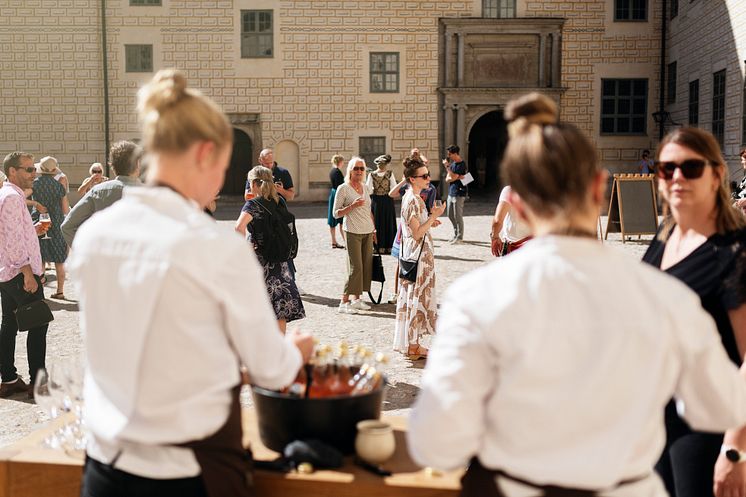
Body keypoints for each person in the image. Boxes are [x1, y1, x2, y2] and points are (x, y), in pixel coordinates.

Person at [408, 92, 746, 497]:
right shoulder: (666, 296)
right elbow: (715, 405)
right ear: (599, 186)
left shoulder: (474, 296)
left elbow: (436, 444)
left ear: (514, 201)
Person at [69, 69, 314, 497]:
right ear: (204, 154)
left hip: (106, 468)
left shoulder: (95, 234)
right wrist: (292, 354)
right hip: (187, 472)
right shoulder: (214, 248)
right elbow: (270, 370)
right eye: (221, 168)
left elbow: (152, 349)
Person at [641, 128, 746, 497]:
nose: (678, 178)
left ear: (717, 174)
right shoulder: (665, 237)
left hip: (707, 425)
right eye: (667, 169)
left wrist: (735, 449)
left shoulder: (735, 252)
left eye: (691, 168)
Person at [0, 152, 49, 398]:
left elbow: (14, 233)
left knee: (9, 323)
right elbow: (12, 240)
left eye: (34, 169)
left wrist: (34, 230)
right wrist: (28, 272)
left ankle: (8, 379)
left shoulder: (10, 196)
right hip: (19, 272)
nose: (34, 174)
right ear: (12, 171)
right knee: (38, 324)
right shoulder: (10, 197)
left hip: (9, 272)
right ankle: (38, 382)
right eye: (28, 169)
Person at [235, 166, 305, 333]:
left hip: (259, 260)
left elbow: (239, 227)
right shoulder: (278, 200)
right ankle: (279, 347)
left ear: (253, 183)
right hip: (280, 260)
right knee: (279, 308)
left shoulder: (252, 205)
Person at [392, 156, 445, 359]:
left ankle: (413, 344)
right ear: (412, 179)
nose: (428, 178)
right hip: (419, 259)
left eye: (428, 174)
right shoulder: (413, 199)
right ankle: (413, 346)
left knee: (413, 299)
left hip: (413, 256)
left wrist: (429, 221)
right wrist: (434, 215)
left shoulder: (410, 197)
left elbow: (415, 226)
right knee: (417, 299)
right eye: (423, 176)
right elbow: (416, 233)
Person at [61, 141, 143, 247]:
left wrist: (86, 253)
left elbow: (67, 226)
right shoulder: (153, 194)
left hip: (104, 256)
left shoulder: (98, 191)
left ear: (112, 166)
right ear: (137, 164)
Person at [333, 156, 376, 314]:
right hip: (351, 231)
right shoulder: (343, 188)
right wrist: (352, 206)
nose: (359, 171)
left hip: (367, 230)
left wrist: (374, 229)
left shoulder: (365, 187)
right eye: (356, 168)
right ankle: (344, 302)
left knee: (364, 266)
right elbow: (336, 213)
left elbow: (368, 210)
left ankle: (357, 299)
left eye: (362, 168)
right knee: (355, 267)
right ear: (350, 170)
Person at [32, 156, 70, 299]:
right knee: (59, 260)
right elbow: (66, 210)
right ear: (54, 171)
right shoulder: (59, 186)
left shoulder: (34, 184)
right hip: (57, 224)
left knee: (40, 259)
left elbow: (22, 197)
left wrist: (36, 204)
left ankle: (40, 294)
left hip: (39, 224)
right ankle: (60, 291)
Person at [366, 154, 397, 254]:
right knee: (388, 222)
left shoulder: (371, 175)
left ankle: (377, 247)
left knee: (377, 222)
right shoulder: (390, 174)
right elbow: (394, 187)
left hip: (376, 201)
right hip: (387, 200)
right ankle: (389, 246)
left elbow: (369, 190)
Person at [490, 185, 532, 257]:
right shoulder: (546, 190)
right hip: (537, 245)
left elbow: (497, 221)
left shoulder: (510, 190)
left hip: (513, 247)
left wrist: (495, 236)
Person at [442, 144, 467, 243]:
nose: (449, 156)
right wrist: (452, 175)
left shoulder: (461, 164)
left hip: (459, 192)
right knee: (450, 215)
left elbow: (452, 177)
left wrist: (447, 167)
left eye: (450, 154)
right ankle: (456, 234)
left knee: (458, 215)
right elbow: (448, 178)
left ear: (455, 153)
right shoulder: (453, 165)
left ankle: (460, 237)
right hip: (451, 192)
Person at [327, 154, 346, 249]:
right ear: (340, 162)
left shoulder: (332, 171)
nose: (343, 164)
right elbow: (340, 185)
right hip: (337, 194)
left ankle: (333, 241)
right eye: (343, 162)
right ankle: (346, 242)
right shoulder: (337, 172)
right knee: (342, 219)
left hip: (333, 193)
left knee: (333, 220)